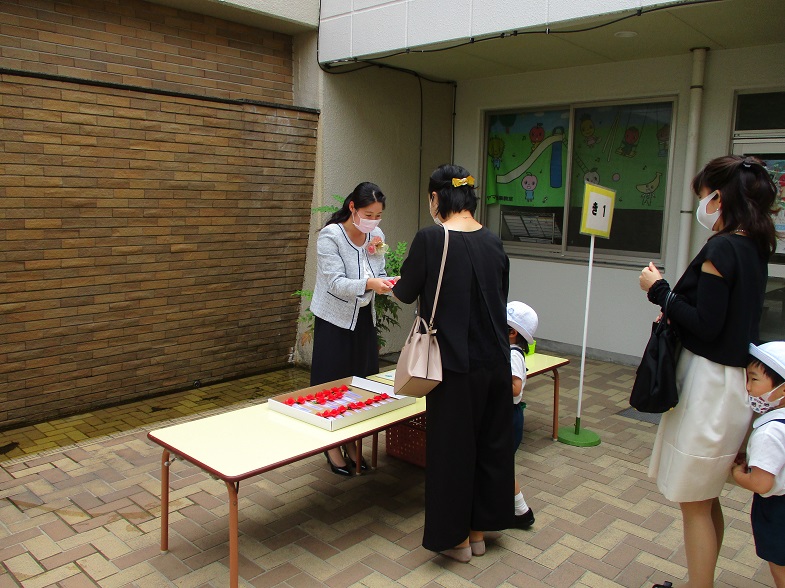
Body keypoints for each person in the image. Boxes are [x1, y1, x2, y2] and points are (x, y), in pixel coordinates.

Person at [639, 155, 778, 588]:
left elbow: (707, 323)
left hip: (708, 388)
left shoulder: (722, 248)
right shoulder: (755, 248)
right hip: (732, 385)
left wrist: (659, 291)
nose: (702, 205)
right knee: (705, 495)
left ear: (719, 197)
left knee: (694, 503)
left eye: (703, 196)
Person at [393, 164, 514, 563]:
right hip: (496, 362)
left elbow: (406, 291)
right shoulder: (493, 241)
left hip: (453, 366)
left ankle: (456, 541)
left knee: (452, 453)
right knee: (489, 448)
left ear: (436, 198)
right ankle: (479, 532)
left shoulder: (431, 238)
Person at [310, 182, 396, 476]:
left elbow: (379, 272)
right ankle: (332, 445)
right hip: (333, 320)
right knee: (331, 384)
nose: (373, 221)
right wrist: (370, 283)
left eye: (378, 215)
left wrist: (388, 283)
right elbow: (335, 283)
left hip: (363, 318)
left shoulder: (377, 236)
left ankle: (352, 442)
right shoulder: (330, 236)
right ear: (352, 208)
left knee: (361, 383)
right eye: (368, 215)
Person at [732, 341, 785, 588]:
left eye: (754, 379)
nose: (747, 387)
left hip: (778, 510)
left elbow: (762, 483)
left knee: (780, 567)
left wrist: (737, 473)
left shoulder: (769, 432)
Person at [506, 301, 537, 530]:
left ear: (512, 333)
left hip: (509, 418)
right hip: (508, 416)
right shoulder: (511, 351)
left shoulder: (513, 355)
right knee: (502, 465)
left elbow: (515, 388)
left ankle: (522, 512)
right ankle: (519, 510)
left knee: (502, 465)